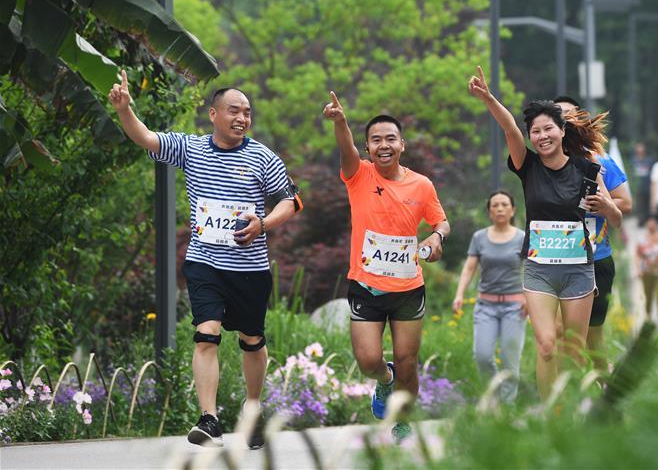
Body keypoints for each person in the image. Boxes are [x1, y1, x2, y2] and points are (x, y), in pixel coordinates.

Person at [108, 74, 301, 448]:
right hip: (205, 262)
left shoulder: (263, 157)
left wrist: (263, 224)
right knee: (206, 333)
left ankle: (253, 408)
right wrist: (124, 109)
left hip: (249, 269)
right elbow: (147, 138)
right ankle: (209, 418)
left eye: (247, 113)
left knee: (251, 338)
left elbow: (291, 201)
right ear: (213, 114)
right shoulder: (191, 149)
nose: (242, 118)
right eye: (234, 111)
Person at [468, 67, 621, 400]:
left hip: (579, 270)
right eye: (535, 131)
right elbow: (509, 128)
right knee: (547, 345)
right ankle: (551, 416)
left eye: (548, 128)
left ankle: (571, 406)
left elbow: (618, 217)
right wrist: (489, 99)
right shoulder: (528, 166)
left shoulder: (587, 169)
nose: (541, 136)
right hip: (539, 270)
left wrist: (606, 209)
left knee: (574, 351)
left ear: (562, 130)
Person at [322, 92, 450, 442]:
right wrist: (340, 123)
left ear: (402, 144)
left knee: (409, 360)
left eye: (390, 139)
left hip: (408, 287)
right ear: (367, 147)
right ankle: (384, 380)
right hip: (366, 285)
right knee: (368, 361)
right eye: (375, 140)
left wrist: (436, 238)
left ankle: (404, 419)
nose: (383, 145)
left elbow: (441, 222)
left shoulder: (421, 184)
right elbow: (345, 150)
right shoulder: (358, 175)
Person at [554, 96, 632, 370]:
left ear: (579, 120)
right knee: (559, 333)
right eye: (556, 114)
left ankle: (602, 387)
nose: (562, 119)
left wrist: (601, 205)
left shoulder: (599, 159)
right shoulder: (543, 161)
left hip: (595, 257)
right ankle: (565, 392)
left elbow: (625, 203)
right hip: (555, 259)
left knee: (591, 337)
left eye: (568, 114)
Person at [452, 191, 526, 402]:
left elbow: (531, 270)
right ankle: (494, 398)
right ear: (489, 211)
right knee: (483, 356)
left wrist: (530, 298)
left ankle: (507, 409)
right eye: (495, 205)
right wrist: (459, 294)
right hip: (486, 306)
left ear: (513, 210)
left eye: (504, 204)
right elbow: (469, 269)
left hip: (515, 307)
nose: (500, 209)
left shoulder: (523, 237)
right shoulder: (479, 237)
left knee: (509, 360)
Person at [631, 142, 653, 222]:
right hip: (638, 186)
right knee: (639, 204)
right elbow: (632, 174)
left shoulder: (649, 160)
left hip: (647, 185)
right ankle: (640, 220)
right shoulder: (633, 160)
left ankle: (648, 220)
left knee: (647, 203)